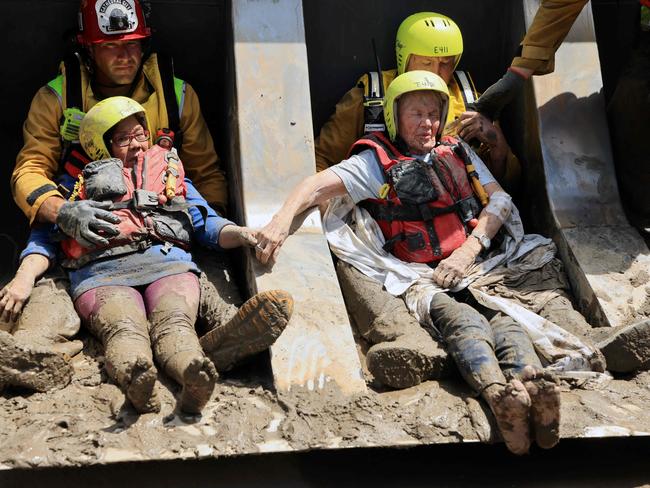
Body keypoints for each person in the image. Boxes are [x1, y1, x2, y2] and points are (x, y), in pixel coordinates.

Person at [256, 71, 570, 454]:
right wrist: (278, 222)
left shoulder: (458, 150)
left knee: (505, 322)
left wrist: (469, 250)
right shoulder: (374, 162)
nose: (428, 123)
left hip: (473, 264)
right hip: (420, 276)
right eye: (416, 114)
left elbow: (500, 201)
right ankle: (498, 396)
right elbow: (314, 186)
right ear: (394, 117)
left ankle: (531, 386)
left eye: (434, 114)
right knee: (465, 321)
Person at [3, 97, 293, 414]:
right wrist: (23, 279)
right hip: (102, 275)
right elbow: (42, 241)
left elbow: (205, 223)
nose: (137, 145)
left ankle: (193, 374)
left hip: (168, 266)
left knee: (176, 323)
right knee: (124, 328)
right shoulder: (73, 188)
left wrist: (241, 233)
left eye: (141, 134)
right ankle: (137, 379)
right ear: (101, 146)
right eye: (124, 139)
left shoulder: (170, 172)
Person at [5, 0, 236, 391]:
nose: (125, 55)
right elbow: (28, 172)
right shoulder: (58, 99)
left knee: (203, 293)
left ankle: (224, 341)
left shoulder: (176, 95)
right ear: (88, 49)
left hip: (165, 240)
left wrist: (204, 230)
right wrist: (64, 212)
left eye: (133, 44)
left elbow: (206, 173)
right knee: (55, 301)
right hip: (89, 243)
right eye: (111, 46)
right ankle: (39, 354)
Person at [315, 11, 521, 193]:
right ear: (404, 58)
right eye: (426, 62)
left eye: (445, 64)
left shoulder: (472, 103)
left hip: (455, 218)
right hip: (385, 216)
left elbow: (507, 185)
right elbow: (321, 158)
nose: (435, 72)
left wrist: (498, 146)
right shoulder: (370, 98)